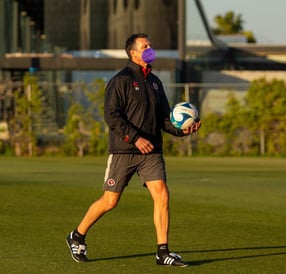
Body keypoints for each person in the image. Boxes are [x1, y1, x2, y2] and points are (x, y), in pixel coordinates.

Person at [66, 33, 201, 267]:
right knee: (110, 201)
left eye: (151, 44)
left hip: (151, 152)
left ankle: (162, 252)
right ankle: (77, 235)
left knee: (162, 195)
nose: (150, 48)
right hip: (124, 150)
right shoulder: (121, 80)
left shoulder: (155, 82)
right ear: (133, 53)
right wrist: (135, 138)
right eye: (145, 46)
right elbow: (111, 115)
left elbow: (164, 120)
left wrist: (183, 131)